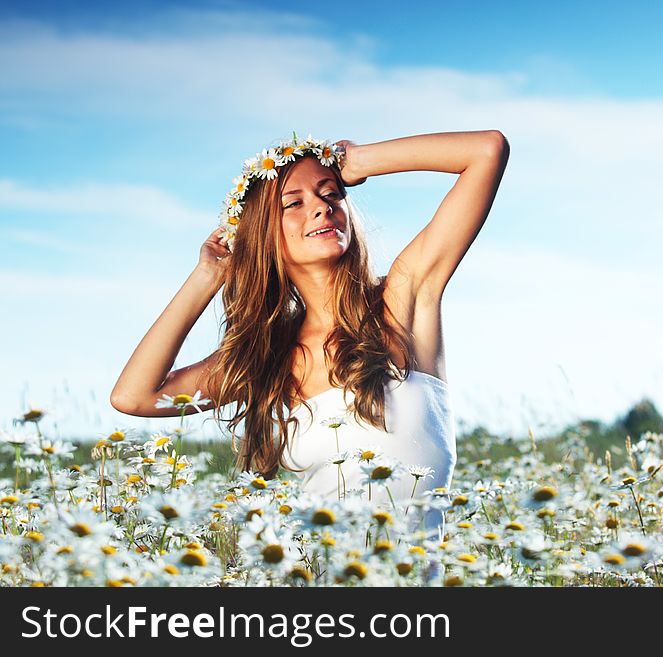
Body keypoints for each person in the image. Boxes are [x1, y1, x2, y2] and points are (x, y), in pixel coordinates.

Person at [110, 130, 510, 544]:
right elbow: (135, 396)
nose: (321, 208)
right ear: (265, 235)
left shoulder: (401, 304)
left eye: (331, 194)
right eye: (294, 203)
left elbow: (486, 151)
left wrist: (359, 162)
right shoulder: (267, 356)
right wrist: (205, 278)